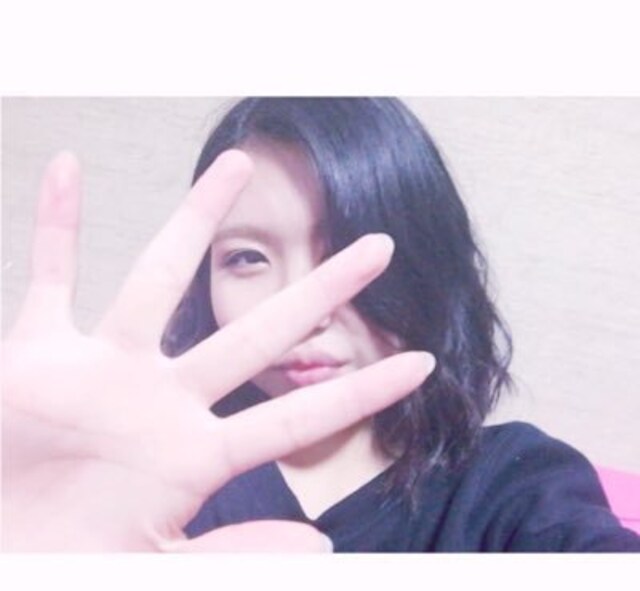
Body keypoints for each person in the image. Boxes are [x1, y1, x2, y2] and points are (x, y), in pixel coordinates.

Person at [3, 98, 639, 552]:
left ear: (429, 260)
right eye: (247, 258)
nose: (302, 308)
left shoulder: (509, 486)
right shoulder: (141, 478)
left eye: (351, 251)